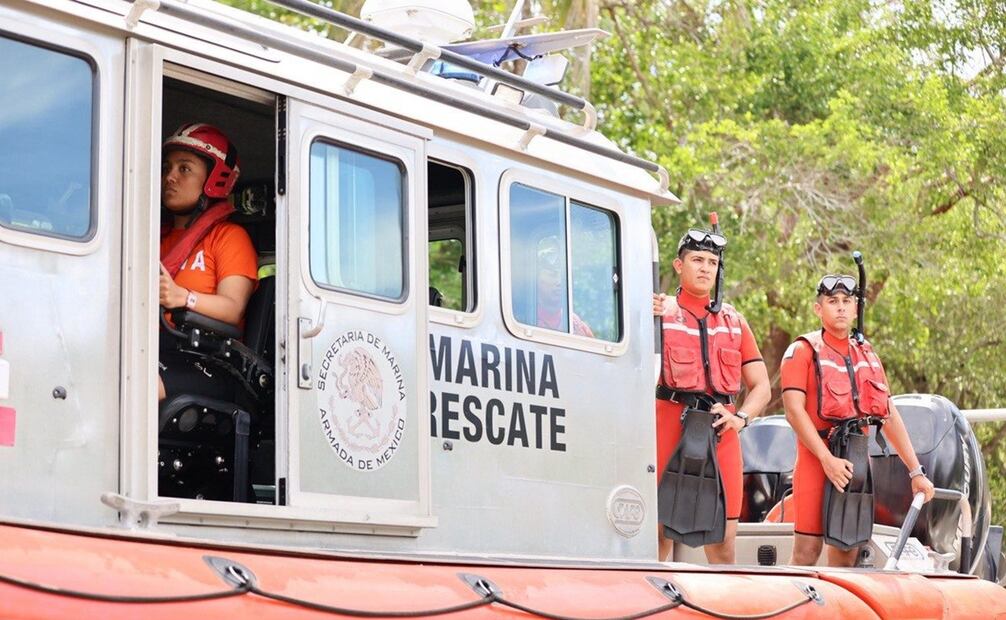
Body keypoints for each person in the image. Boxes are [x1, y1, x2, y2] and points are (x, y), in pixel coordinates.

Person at [781, 273, 935, 566]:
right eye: (832, 301)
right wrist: (827, 459)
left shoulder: (868, 354)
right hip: (817, 460)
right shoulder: (802, 351)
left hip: (856, 460)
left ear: (855, 309)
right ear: (818, 308)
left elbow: (888, 414)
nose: (840, 307)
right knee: (807, 551)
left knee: (846, 550)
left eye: (846, 301)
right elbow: (793, 411)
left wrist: (916, 472)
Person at [653, 225, 771, 563]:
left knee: (722, 543)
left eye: (712, 262)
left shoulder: (734, 320)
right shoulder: (661, 311)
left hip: (722, 436)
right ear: (679, 265)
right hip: (669, 429)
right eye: (697, 260)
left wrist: (741, 418)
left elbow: (762, 385)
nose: (705, 268)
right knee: (659, 536)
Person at [157, 123, 258, 402]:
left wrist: (182, 297)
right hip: (151, 349)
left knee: (136, 385)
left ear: (214, 179)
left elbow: (232, 309)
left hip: (209, 361)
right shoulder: (151, 237)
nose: (170, 177)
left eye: (184, 168)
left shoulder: (229, 237)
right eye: (167, 168)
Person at [535, 235, 593, 337]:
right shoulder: (523, 319)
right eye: (552, 275)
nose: (559, 282)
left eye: (563, 276)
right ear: (535, 280)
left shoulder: (578, 328)